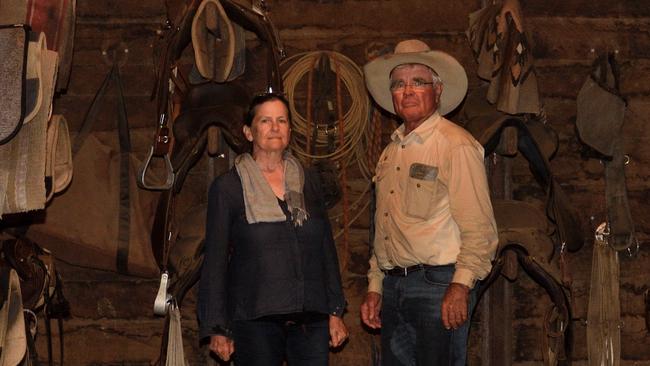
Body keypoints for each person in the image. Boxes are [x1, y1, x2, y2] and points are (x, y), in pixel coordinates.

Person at [360, 39, 499, 365]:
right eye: (399, 83)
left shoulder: (456, 145)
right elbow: (383, 227)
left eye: (418, 82)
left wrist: (461, 285)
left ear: (437, 91)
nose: (407, 90)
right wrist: (376, 284)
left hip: (439, 285)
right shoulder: (390, 152)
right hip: (395, 285)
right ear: (392, 95)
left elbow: (480, 228)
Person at [198, 93, 348, 365]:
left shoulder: (308, 181)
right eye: (265, 121)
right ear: (249, 132)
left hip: (310, 317)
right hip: (256, 318)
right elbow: (215, 260)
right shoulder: (229, 188)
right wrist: (217, 327)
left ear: (290, 130)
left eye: (281, 120)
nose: (275, 127)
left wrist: (334, 310)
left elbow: (325, 246)